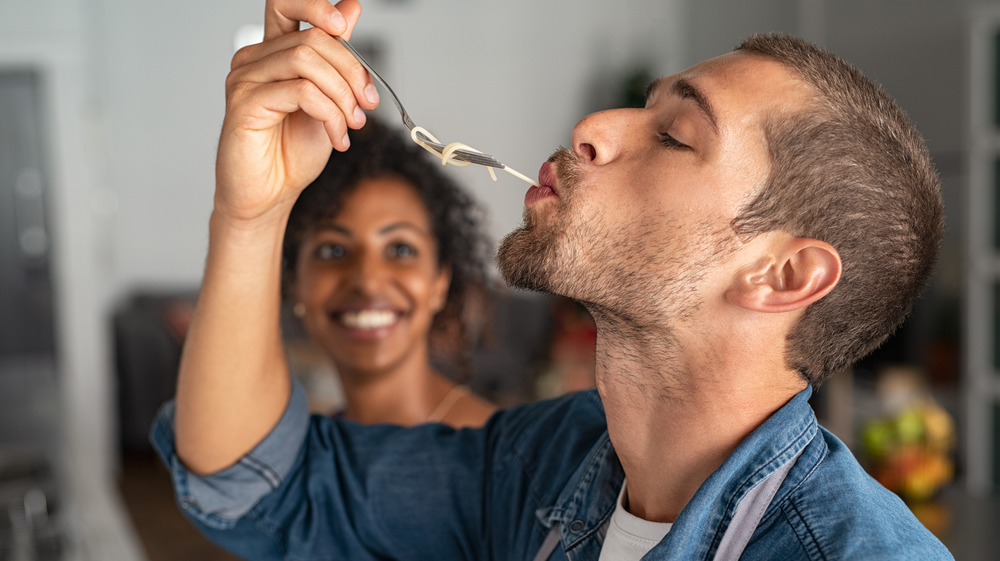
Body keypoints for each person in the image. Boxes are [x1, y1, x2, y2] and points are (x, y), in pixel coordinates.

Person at [150, 0, 953, 559]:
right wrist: (254, 211)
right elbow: (257, 488)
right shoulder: (550, 460)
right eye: (643, 105)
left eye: (675, 135)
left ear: (781, 275)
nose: (594, 128)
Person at [281, 117, 496, 427]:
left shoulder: (499, 456)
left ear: (440, 281)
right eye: (334, 250)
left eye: (400, 250)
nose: (367, 282)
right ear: (294, 283)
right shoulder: (303, 449)